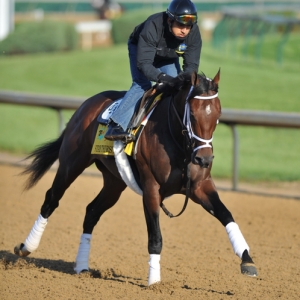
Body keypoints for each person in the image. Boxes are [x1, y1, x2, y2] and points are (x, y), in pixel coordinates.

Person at [105, 0, 202, 141]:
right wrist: (164, 78)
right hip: (140, 49)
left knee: (178, 88)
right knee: (142, 85)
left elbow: (191, 67)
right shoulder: (153, 26)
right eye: (180, 25)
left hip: (167, 56)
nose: (184, 30)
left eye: (188, 26)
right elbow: (145, 65)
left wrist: (181, 81)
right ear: (169, 20)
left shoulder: (193, 33)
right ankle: (116, 125)